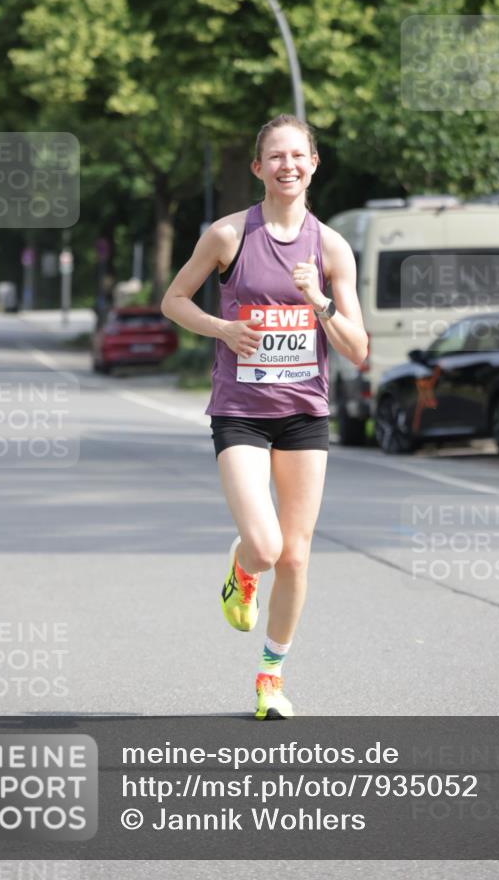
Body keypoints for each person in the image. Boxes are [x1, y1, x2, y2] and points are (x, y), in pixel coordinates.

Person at [161, 114, 367, 719]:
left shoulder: (330, 248)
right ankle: (242, 567)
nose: (288, 166)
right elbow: (174, 299)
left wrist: (320, 299)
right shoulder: (228, 236)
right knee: (267, 543)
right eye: (275, 157)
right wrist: (224, 327)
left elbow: (357, 348)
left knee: (297, 555)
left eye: (298, 156)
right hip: (241, 412)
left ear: (313, 164)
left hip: (305, 413)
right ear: (258, 168)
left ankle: (270, 678)